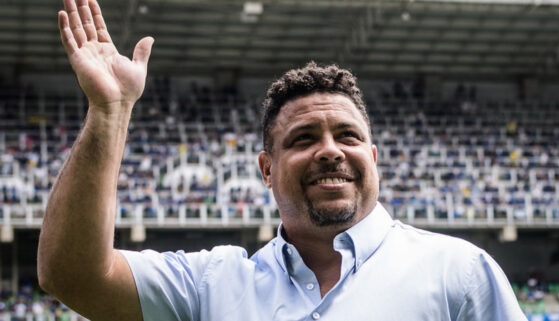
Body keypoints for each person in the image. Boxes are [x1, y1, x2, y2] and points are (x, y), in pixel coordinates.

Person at [37, 1, 526, 320]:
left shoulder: (458, 273)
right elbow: (71, 274)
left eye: (348, 136)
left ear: (373, 157)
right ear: (266, 170)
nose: (331, 149)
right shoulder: (213, 286)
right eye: (304, 138)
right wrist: (110, 112)